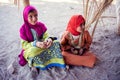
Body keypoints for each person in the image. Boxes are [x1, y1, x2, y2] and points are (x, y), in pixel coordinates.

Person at [18, 5, 65, 72]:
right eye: (30, 16)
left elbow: (46, 35)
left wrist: (48, 40)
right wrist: (36, 43)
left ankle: (45, 59)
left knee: (56, 42)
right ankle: (39, 61)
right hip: (33, 48)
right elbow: (24, 45)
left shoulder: (41, 25)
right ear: (25, 17)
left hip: (43, 45)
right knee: (32, 52)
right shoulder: (23, 30)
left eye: (36, 15)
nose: (34, 19)